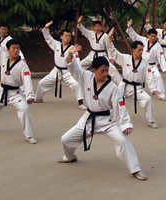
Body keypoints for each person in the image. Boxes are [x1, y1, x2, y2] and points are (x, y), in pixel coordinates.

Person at [58, 49, 147, 181]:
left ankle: (135, 169)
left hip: (107, 121)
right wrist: (70, 54)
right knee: (65, 139)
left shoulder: (112, 87)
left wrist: (125, 124)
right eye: (102, 71)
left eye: (107, 70)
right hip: (89, 119)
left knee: (122, 141)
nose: (105, 74)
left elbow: (120, 107)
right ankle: (70, 157)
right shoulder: (86, 77)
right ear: (94, 70)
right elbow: (74, 69)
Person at [106, 28, 158, 129]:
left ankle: (151, 121)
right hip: (124, 86)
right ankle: (110, 118)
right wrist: (109, 38)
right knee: (114, 100)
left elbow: (149, 77)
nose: (141, 52)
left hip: (137, 88)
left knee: (147, 100)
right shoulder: (125, 58)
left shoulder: (145, 63)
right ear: (133, 50)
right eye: (139, 50)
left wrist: (153, 89)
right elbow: (113, 51)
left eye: (142, 50)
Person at [35, 20, 85, 108]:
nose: (68, 38)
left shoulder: (72, 49)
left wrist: (79, 73)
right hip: (56, 70)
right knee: (41, 83)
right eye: (66, 36)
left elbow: (76, 62)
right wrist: (46, 28)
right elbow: (48, 38)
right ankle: (38, 98)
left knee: (76, 84)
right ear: (61, 37)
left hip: (68, 72)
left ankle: (81, 103)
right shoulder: (56, 45)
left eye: (69, 36)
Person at [126, 19, 166, 101]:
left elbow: (161, 57)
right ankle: (128, 92)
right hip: (142, 64)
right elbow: (135, 36)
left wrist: (164, 68)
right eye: (151, 36)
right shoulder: (143, 40)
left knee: (158, 77)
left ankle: (161, 94)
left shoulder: (158, 46)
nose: (153, 38)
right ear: (148, 35)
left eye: (154, 36)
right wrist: (129, 27)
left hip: (152, 66)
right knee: (132, 76)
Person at [77, 16, 120, 85]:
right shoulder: (91, 34)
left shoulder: (105, 36)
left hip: (102, 55)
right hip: (92, 54)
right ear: (94, 27)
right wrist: (79, 23)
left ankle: (121, 84)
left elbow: (108, 46)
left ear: (101, 26)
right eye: (96, 26)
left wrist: (110, 57)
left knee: (112, 69)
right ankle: (73, 78)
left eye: (98, 26)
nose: (97, 28)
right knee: (79, 65)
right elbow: (84, 30)